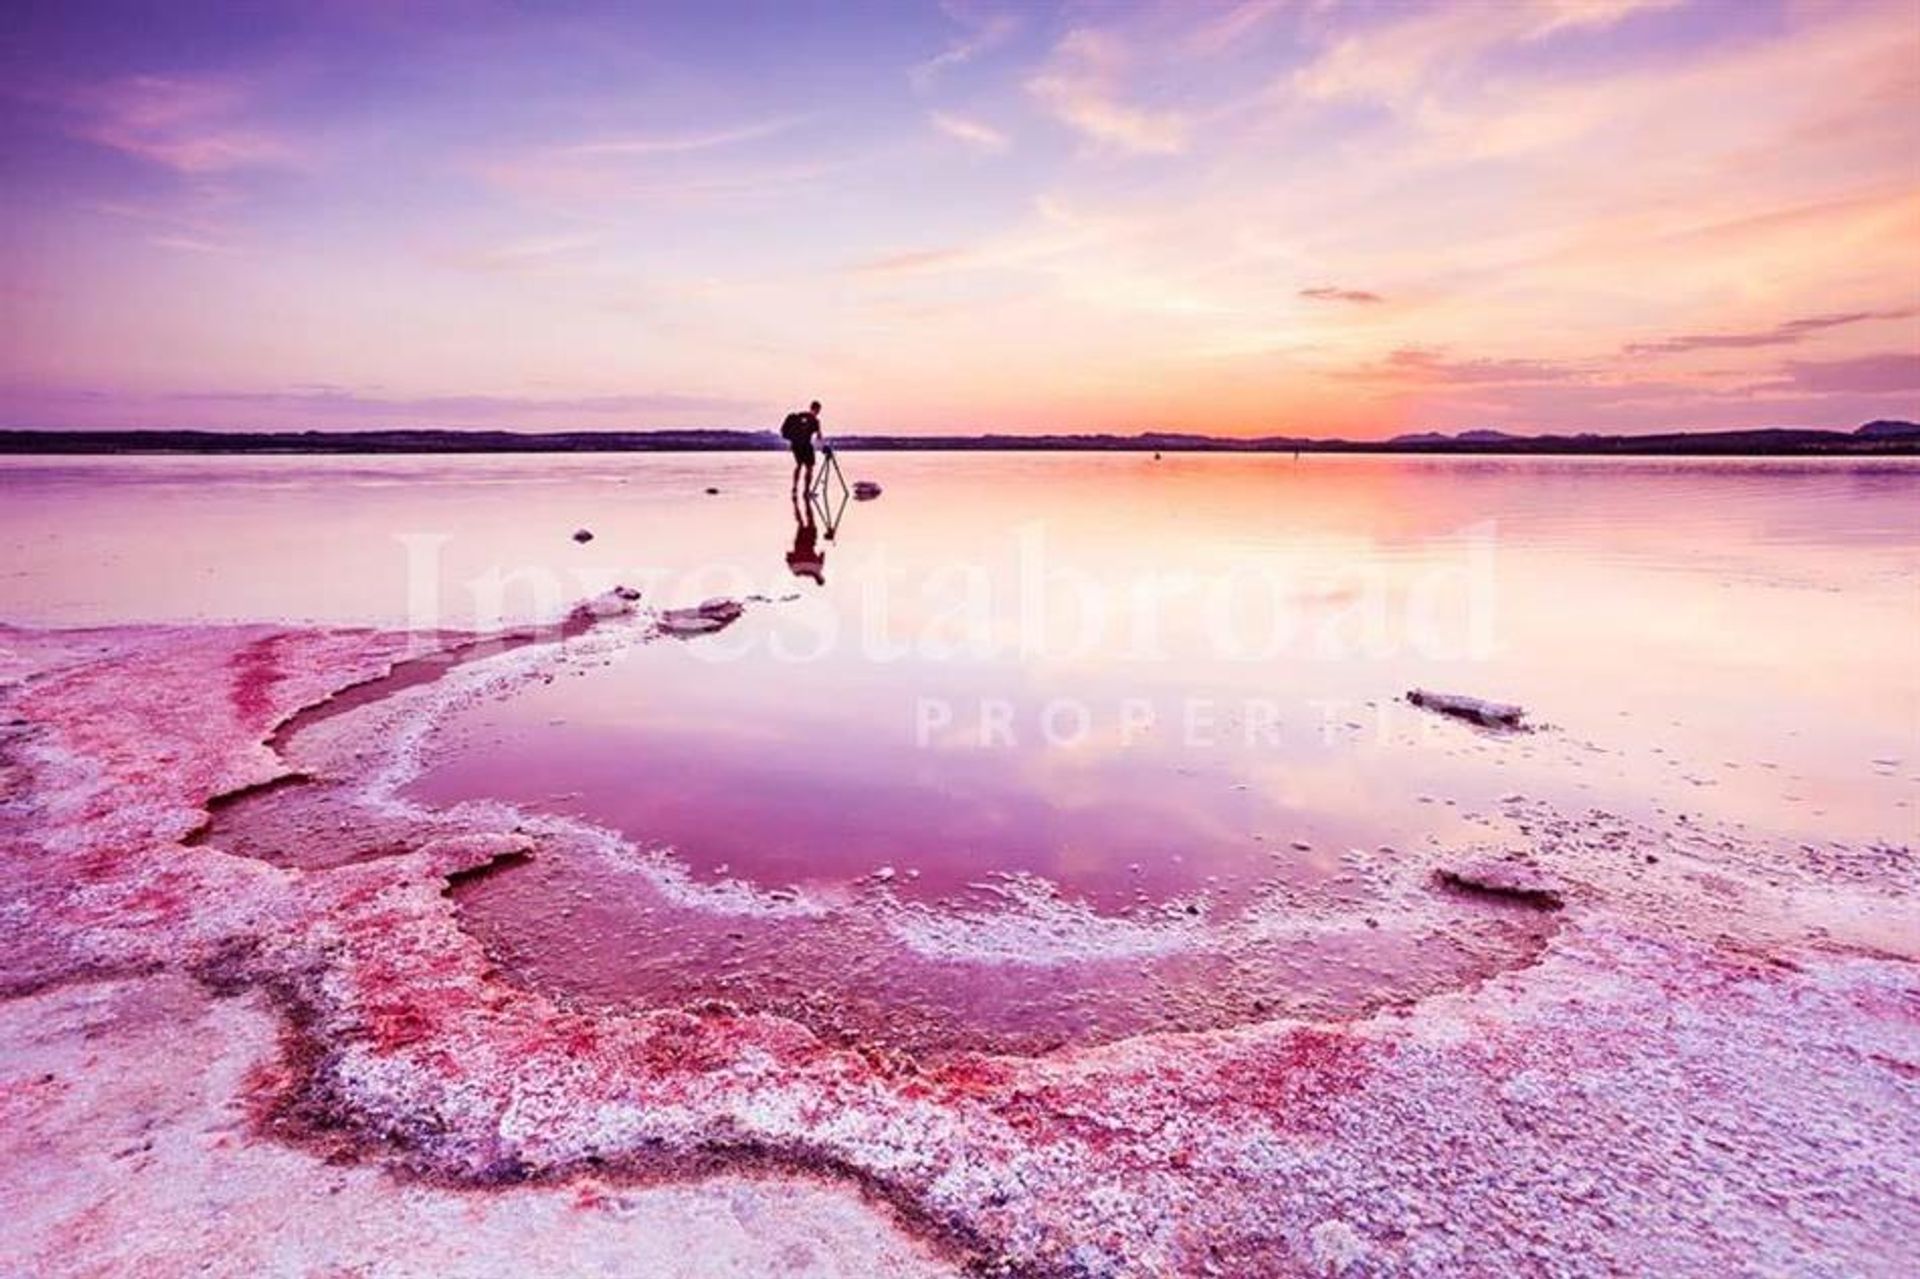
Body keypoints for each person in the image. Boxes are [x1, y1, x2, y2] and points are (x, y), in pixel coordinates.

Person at [782, 400, 823, 496]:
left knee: (799, 466)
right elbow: (819, 437)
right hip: (806, 446)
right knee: (809, 468)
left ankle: (795, 487)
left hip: (795, 445)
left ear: (810, 407)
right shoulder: (815, 420)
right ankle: (806, 491)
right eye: (818, 410)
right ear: (817, 409)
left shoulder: (800, 415)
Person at [786, 493, 826, 584]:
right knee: (801, 524)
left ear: (821, 577)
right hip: (800, 545)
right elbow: (789, 558)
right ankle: (796, 505)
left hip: (808, 543)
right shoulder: (798, 571)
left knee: (810, 521)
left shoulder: (818, 567)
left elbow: (822, 553)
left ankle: (803, 503)